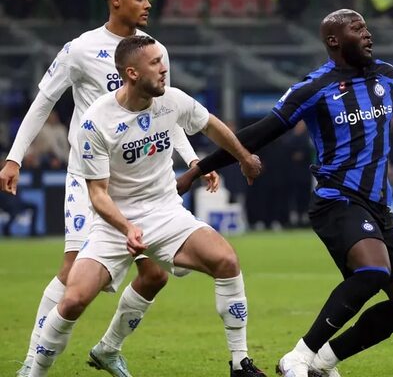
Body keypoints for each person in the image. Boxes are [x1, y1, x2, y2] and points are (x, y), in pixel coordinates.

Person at [176, 9, 393, 377]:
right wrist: (200, 168)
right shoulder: (314, 88)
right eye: (357, 28)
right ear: (334, 40)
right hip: (337, 201)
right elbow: (260, 132)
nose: (367, 34)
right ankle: (298, 357)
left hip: (379, 206)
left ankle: (324, 361)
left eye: (366, 27)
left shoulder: (385, 75)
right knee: (372, 270)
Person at [0, 0, 204, 377]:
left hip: (139, 180)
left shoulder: (155, 50)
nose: (149, 4)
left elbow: (167, 111)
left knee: (156, 275)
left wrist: (193, 159)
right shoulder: (80, 49)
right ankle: (30, 365)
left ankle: (108, 348)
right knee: (73, 266)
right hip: (89, 176)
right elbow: (43, 102)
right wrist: (14, 157)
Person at [28, 35, 266, 377]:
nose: (164, 67)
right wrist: (127, 228)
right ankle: (34, 371)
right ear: (132, 73)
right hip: (113, 223)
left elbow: (211, 125)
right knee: (74, 300)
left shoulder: (171, 100)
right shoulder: (96, 122)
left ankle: (239, 362)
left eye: (162, 60)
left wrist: (243, 157)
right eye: (155, 62)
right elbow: (97, 195)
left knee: (226, 260)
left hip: (166, 212)